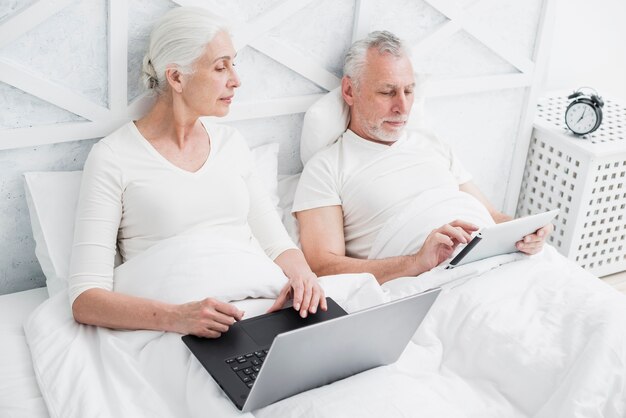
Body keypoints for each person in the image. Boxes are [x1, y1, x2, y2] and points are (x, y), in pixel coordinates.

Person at [68, 7, 325, 339]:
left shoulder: (231, 144)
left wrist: (304, 276)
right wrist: (178, 318)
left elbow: (277, 245)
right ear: (176, 77)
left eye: (233, 63)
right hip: (181, 329)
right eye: (221, 67)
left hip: (259, 310)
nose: (236, 79)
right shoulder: (113, 157)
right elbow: (85, 299)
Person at [293, 30, 553, 285]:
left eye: (409, 91)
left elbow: (494, 217)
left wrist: (528, 232)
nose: (403, 107)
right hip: (434, 281)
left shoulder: (432, 143)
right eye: (387, 92)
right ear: (350, 91)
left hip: (497, 261)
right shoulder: (326, 167)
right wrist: (416, 261)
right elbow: (323, 266)